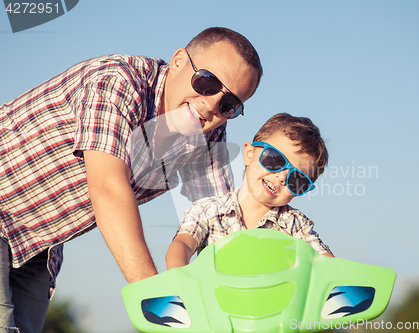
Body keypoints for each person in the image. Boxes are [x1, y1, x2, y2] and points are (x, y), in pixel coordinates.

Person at [0, 27, 262, 333]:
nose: (211, 105)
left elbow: (220, 225)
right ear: (178, 61)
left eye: (230, 103)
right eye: (207, 82)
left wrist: (252, 304)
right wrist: (156, 296)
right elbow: (109, 187)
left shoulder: (209, 132)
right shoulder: (117, 81)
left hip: (39, 245)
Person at [166, 113, 334, 270]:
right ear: (248, 153)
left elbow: (326, 262)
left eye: (297, 179)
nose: (282, 177)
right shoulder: (208, 211)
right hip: (214, 298)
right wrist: (178, 275)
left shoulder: (294, 225)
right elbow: (184, 244)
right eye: (274, 159)